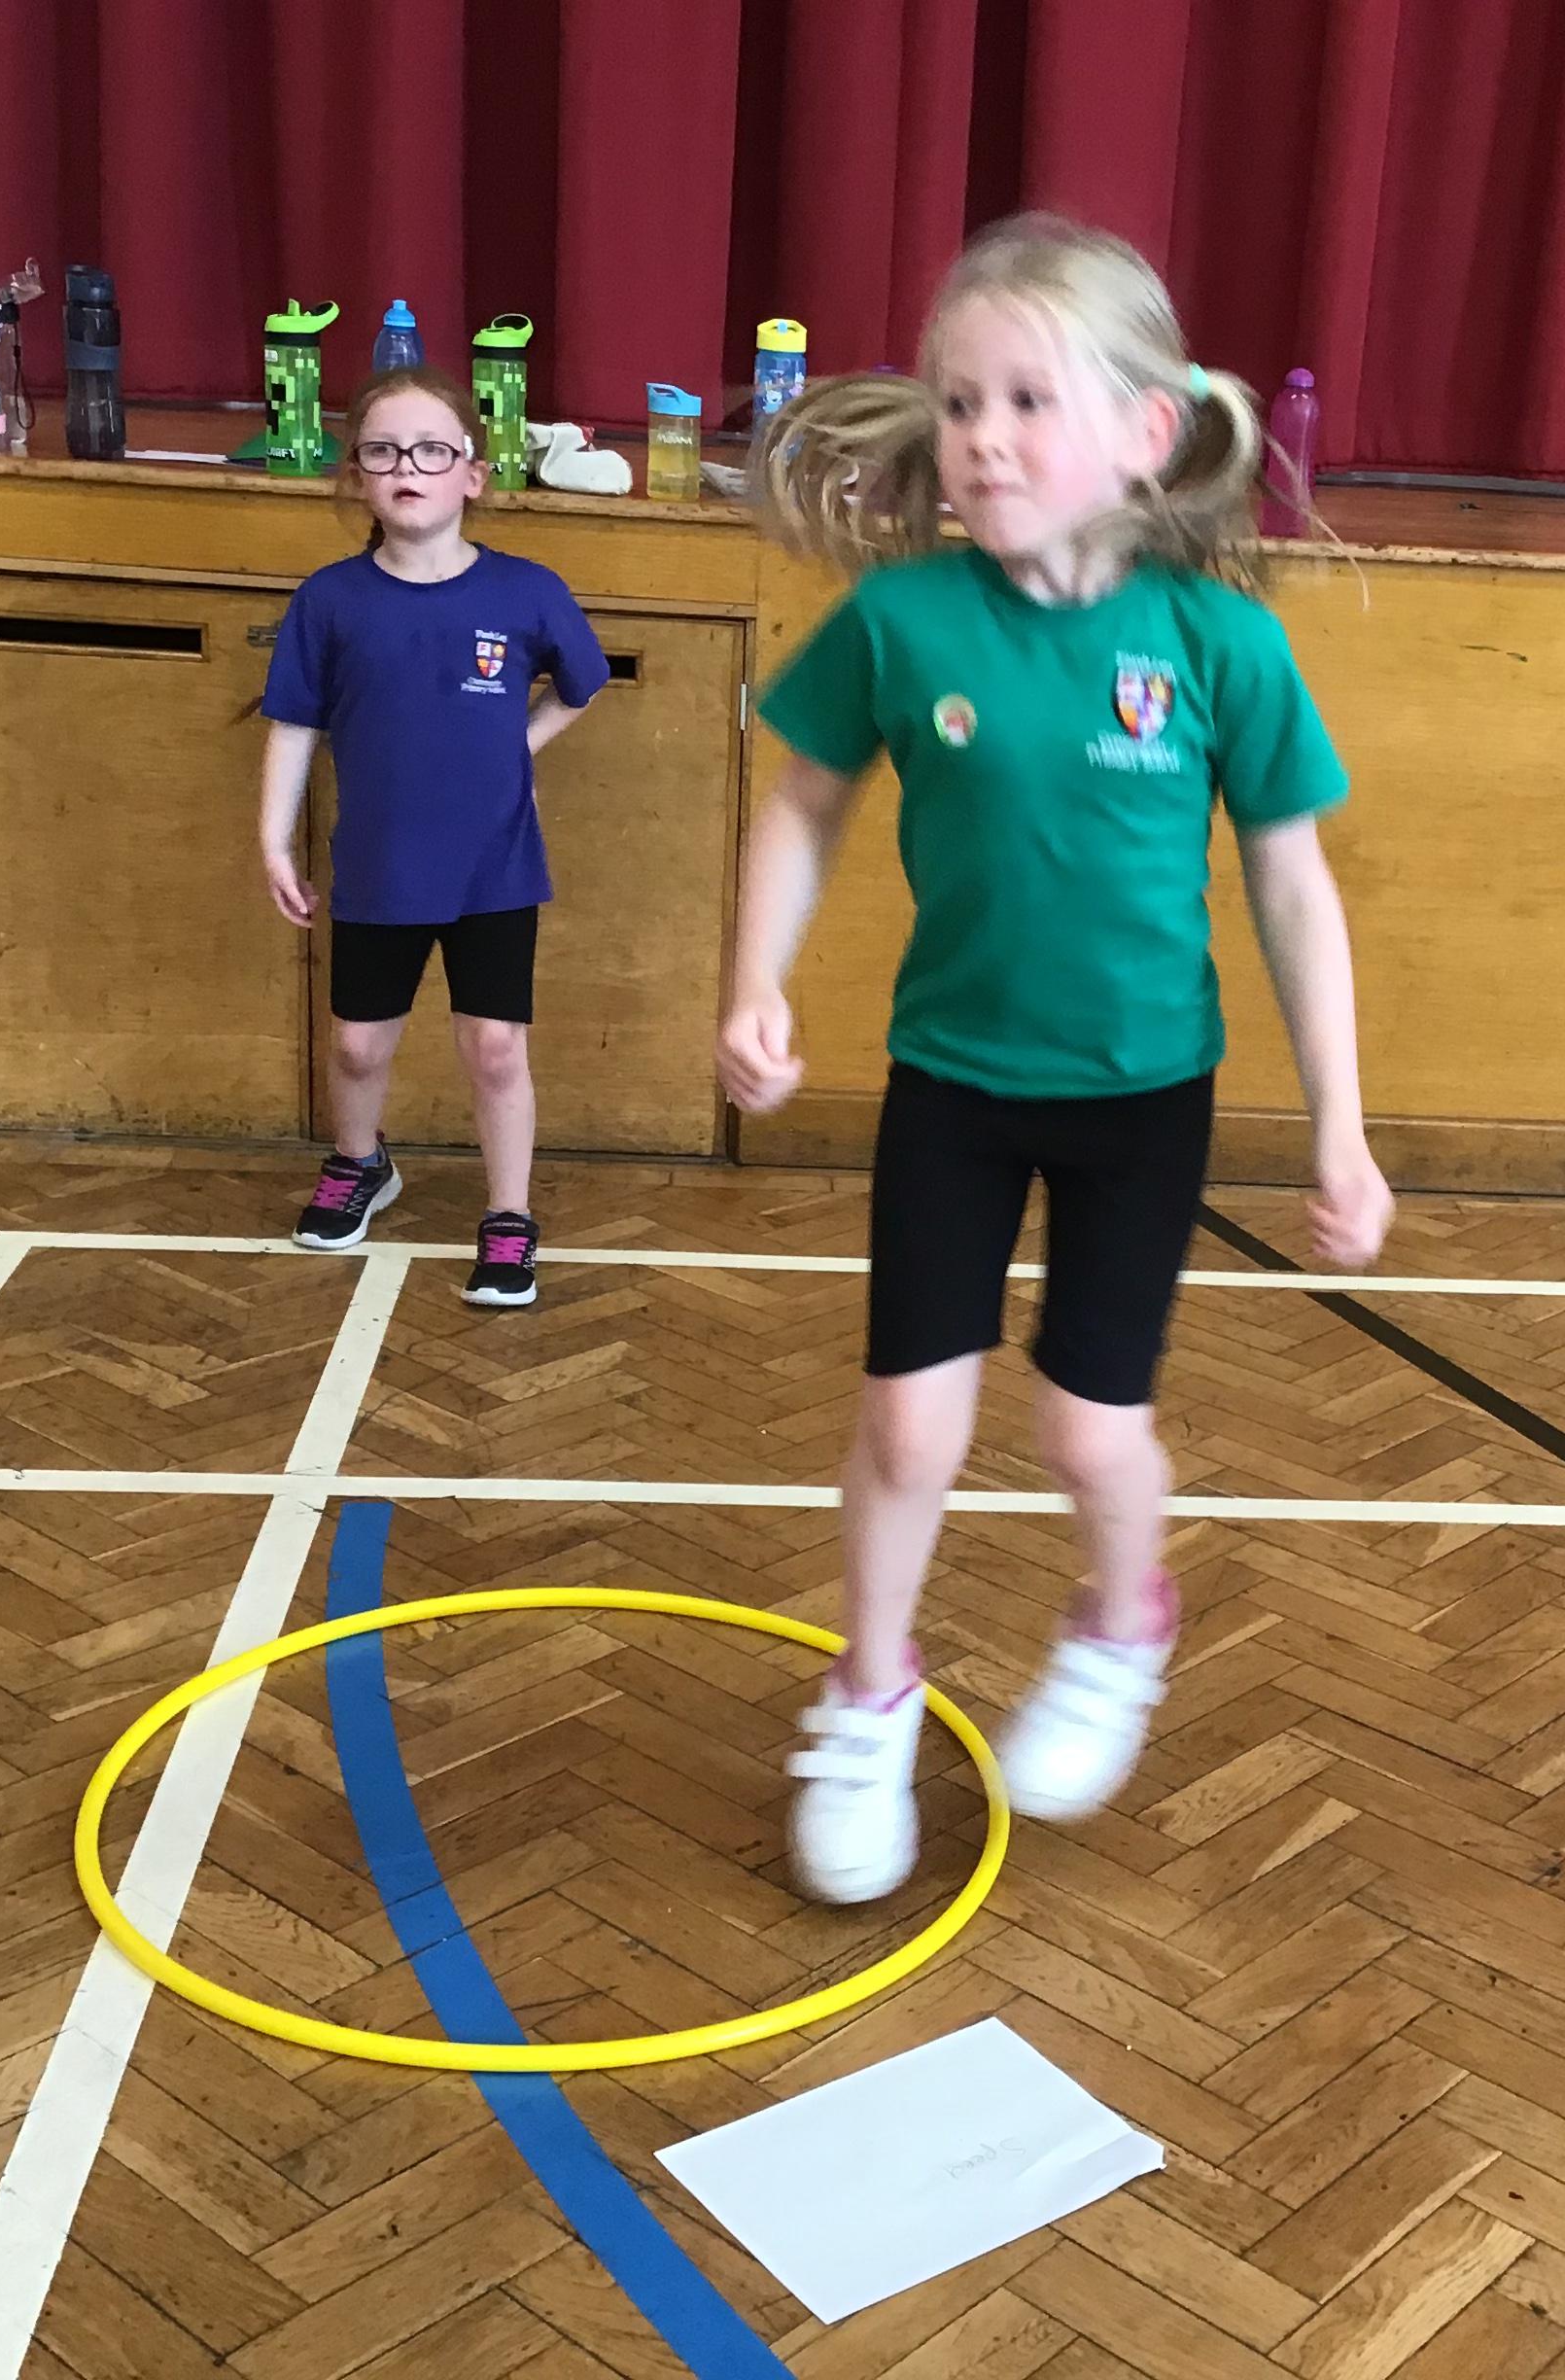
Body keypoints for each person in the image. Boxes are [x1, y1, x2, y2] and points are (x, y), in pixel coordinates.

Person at [720, 215, 1395, 1903]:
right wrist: (753, 981)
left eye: (1027, 400)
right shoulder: (903, 624)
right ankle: (870, 1690)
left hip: (1141, 1100)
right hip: (950, 1086)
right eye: (960, 403)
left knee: (1092, 1435)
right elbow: (800, 803)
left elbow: (1292, 887)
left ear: (1143, 431)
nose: (982, 438)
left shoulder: (1219, 647)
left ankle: (1120, 1620)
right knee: (908, 1429)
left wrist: (1340, 1125)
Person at [259, 367, 609, 1305]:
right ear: (358, 475)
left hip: (496, 867)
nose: (407, 467)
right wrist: (274, 841)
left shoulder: (527, 591)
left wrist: (513, 749)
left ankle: (509, 1217)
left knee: (495, 1048)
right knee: (357, 1048)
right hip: (379, 869)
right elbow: (293, 724)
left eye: (430, 450)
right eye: (383, 451)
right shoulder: (330, 600)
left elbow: (582, 686)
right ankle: (360, 1161)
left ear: (472, 474)